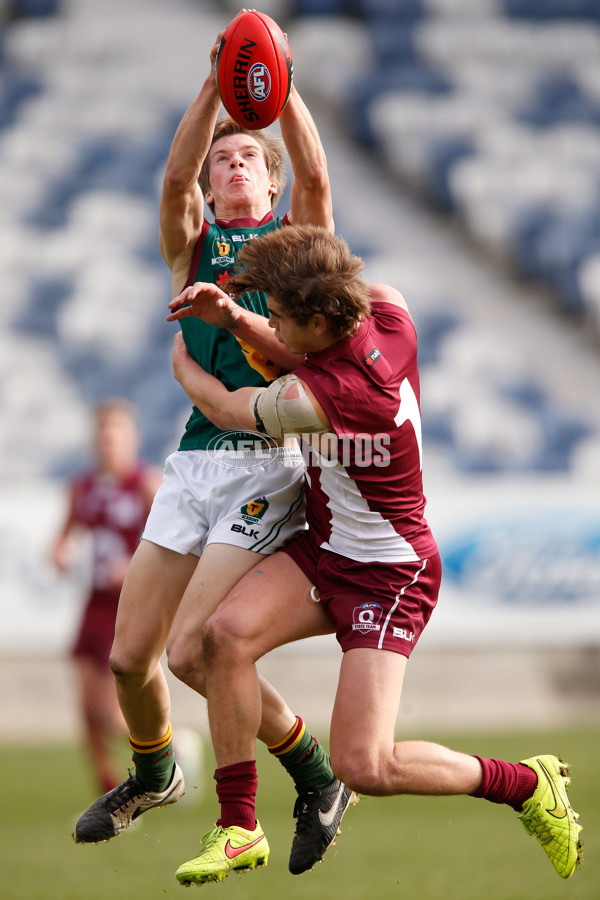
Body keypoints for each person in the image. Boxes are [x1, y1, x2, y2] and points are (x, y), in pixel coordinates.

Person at [167, 224, 583, 885]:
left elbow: (223, 406)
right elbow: (303, 347)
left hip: (389, 576)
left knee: (366, 767)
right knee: (223, 635)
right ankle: (239, 825)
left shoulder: (321, 400)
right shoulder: (387, 306)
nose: (272, 323)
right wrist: (242, 316)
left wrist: (184, 360)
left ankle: (525, 784)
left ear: (320, 318)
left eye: (280, 315)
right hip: (327, 549)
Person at [74, 25, 355, 876]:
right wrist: (213, 86)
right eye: (221, 159)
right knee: (131, 660)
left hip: (265, 465)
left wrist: (284, 85)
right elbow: (171, 178)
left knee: (198, 651)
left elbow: (315, 175)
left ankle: (306, 776)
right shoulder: (191, 244)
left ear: (266, 182)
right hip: (194, 461)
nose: (231, 164)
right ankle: (157, 773)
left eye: (246, 158)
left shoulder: (295, 250)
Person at [52, 398, 162, 795]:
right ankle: (107, 786)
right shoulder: (81, 487)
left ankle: (173, 748)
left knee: (111, 714)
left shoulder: (147, 485)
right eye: (101, 434)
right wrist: (59, 554)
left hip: (129, 604)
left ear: (131, 439)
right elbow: (64, 537)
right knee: (85, 705)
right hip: (93, 602)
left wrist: (131, 566)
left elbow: (170, 544)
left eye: (115, 433)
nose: (107, 442)